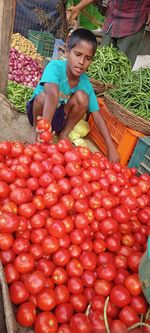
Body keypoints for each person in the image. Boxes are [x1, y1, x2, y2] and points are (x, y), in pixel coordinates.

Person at [26, 28, 119, 163]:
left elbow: (97, 116)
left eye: (87, 58)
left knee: (83, 98)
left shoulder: (85, 83)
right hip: (40, 114)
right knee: (44, 97)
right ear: (68, 52)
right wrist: (44, 129)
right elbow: (52, 95)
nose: (81, 62)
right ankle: (36, 131)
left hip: (58, 119)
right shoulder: (55, 66)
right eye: (78, 54)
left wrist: (111, 148)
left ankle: (64, 134)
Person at [67, 0, 150, 66]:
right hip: (112, 18)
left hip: (133, 21)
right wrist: (78, 8)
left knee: (123, 66)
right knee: (102, 61)